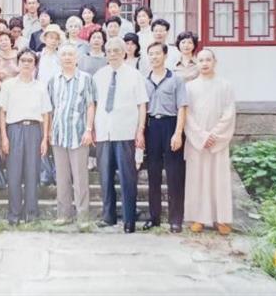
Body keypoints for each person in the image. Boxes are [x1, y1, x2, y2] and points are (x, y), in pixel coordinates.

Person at [93, 38, 148, 233]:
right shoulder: (99, 75)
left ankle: (129, 219)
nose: (113, 54)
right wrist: (92, 128)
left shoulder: (134, 75)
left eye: (117, 50)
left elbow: (142, 104)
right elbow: (94, 104)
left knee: (128, 177)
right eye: (109, 51)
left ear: (124, 52)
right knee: (105, 177)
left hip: (125, 132)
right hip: (104, 132)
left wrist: (140, 130)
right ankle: (108, 217)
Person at [184, 49, 236, 236]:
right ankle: (198, 218)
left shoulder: (225, 85)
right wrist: (201, 136)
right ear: (196, 63)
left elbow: (229, 112)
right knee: (197, 178)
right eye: (201, 60)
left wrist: (214, 134)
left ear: (215, 62)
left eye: (208, 59)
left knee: (218, 179)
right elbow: (187, 115)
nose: (204, 63)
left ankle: (221, 219)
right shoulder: (189, 87)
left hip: (217, 141)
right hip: (197, 141)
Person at [0, 49, 52, 225]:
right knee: (14, 174)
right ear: (18, 63)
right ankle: (14, 214)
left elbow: (46, 113)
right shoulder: (8, 85)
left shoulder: (41, 86)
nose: (26, 63)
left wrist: (44, 138)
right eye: (23, 60)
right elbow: (2, 112)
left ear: (35, 65)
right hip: (14, 130)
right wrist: (4, 137)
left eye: (30, 60)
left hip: (34, 130)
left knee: (32, 173)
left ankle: (31, 213)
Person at [47, 43, 96, 227]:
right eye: (64, 54)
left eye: (70, 54)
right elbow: (51, 108)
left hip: (79, 134)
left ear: (77, 58)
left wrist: (89, 129)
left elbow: (90, 105)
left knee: (80, 178)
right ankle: (64, 214)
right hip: (59, 134)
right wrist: (50, 131)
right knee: (62, 178)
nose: (67, 57)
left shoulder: (86, 79)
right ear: (59, 58)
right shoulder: (53, 80)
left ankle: (83, 217)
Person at [142, 42, 188, 233]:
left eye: (157, 53)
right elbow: (142, 108)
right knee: (153, 174)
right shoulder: (145, 81)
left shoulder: (176, 80)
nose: (154, 57)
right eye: (150, 54)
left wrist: (178, 133)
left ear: (165, 55)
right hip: (152, 127)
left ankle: (175, 219)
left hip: (171, 125)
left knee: (174, 174)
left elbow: (182, 107)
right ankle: (154, 217)